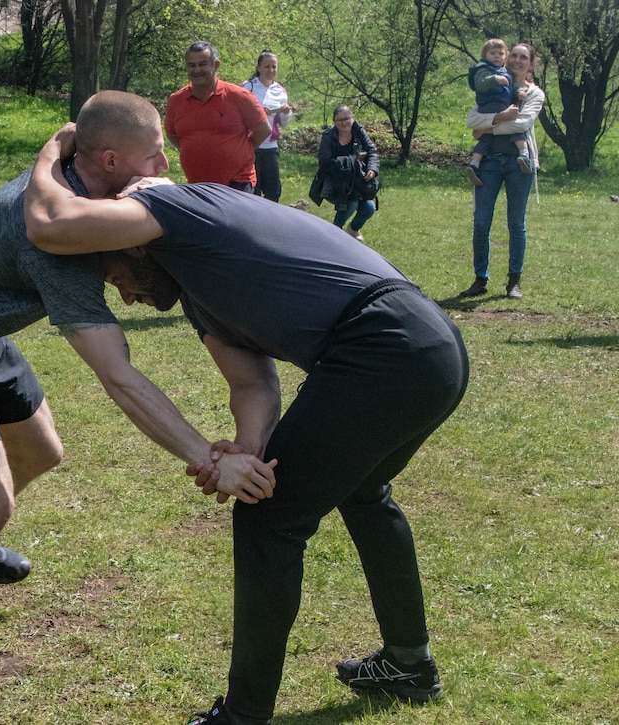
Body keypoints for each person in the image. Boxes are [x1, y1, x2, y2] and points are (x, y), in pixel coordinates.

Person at [25, 95, 469, 724]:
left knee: (270, 522)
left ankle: (243, 715)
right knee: (364, 494)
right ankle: (409, 662)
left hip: (384, 345)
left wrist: (51, 150)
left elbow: (49, 223)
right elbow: (252, 382)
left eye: (111, 268)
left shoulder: (167, 201)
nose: (118, 289)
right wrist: (246, 451)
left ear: (131, 241)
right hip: (428, 347)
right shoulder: (202, 291)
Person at [0, 90, 274, 725]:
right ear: (109, 159)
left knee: (41, 452)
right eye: (154, 156)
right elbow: (118, 376)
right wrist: (203, 454)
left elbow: (69, 129)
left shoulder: (78, 177)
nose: (164, 167)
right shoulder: (60, 240)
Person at [460, 42, 543, 300]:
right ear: (508, 59)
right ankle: (479, 279)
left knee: (516, 223)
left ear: (531, 64)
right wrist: (495, 119)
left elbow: (523, 122)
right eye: (514, 56)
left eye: (523, 57)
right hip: (489, 164)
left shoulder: (534, 94)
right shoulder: (495, 85)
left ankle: (514, 281)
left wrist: (486, 127)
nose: (517, 60)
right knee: (481, 222)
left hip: (520, 164)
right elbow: (471, 121)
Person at [165, 41, 272, 191]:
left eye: (203, 64)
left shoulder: (239, 97)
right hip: (197, 185)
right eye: (192, 65)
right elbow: (172, 134)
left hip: (238, 182)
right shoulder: (176, 100)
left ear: (216, 65)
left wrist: (240, 150)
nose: (197, 70)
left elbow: (263, 129)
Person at [466, 38, 530, 186]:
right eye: (492, 53)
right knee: (513, 128)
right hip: (489, 106)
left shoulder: (504, 74)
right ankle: (524, 154)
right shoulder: (483, 70)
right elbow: (480, 84)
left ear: (505, 57)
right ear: (484, 56)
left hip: (499, 110)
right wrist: (494, 79)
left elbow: (512, 88)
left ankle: (475, 164)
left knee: (485, 138)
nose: (496, 56)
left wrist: (519, 92)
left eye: (500, 54)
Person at [314, 105, 379, 241]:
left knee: (369, 207)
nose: (344, 122)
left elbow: (372, 151)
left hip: (357, 182)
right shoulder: (328, 136)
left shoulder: (359, 131)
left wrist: (372, 169)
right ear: (334, 121)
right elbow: (325, 163)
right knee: (352, 203)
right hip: (336, 183)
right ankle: (334, 234)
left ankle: (353, 229)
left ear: (353, 118)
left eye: (347, 118)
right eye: (340, 120)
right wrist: (351, 161)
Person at [241, 50, 292, 202]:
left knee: (273, 191)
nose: (271, 71)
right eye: (267, 67)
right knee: (253, 191)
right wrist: (256, 113)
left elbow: (283, 123)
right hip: (251, 145)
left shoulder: (280, 91)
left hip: (271, 146)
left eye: (274, 67)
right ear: (259, 68)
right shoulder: (248, 87)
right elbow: (237, 115)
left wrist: (286, 112)